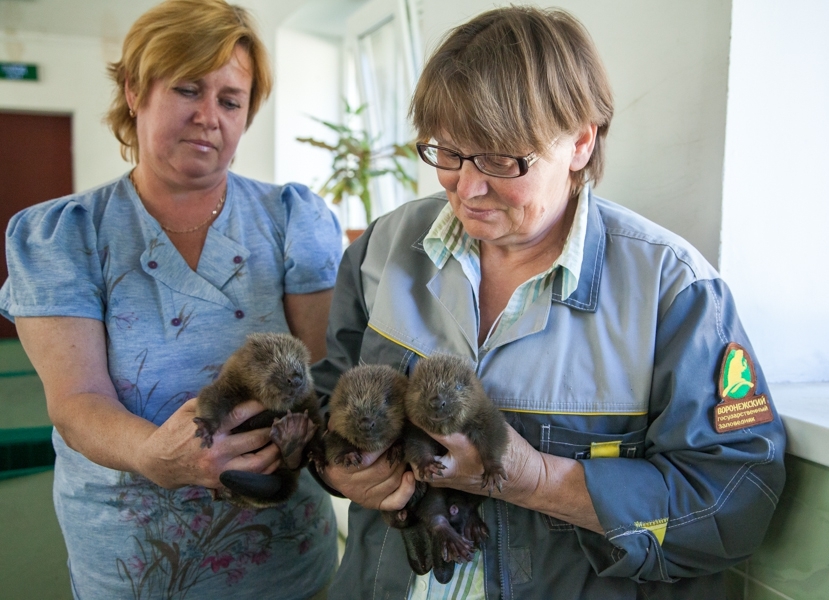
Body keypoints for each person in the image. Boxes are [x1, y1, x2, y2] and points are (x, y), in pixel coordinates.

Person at [312, 6, 786, 599]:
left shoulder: (674, 293)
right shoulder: (382, 251)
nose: (467, 186)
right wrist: (342, 469)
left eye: (500, 159)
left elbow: (735, 499)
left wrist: (534, 479)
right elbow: (326, 408)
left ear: (581, 142)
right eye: (448, 153)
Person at [0, 0, 341, 598]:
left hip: (283, 552)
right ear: (134, 90)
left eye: (230, 101)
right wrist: (153, 454)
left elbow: (323, 374)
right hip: (135, 562)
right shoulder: (67, 235)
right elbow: (76, 401)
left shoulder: (291, 220)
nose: (209, 116)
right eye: (188, 89)